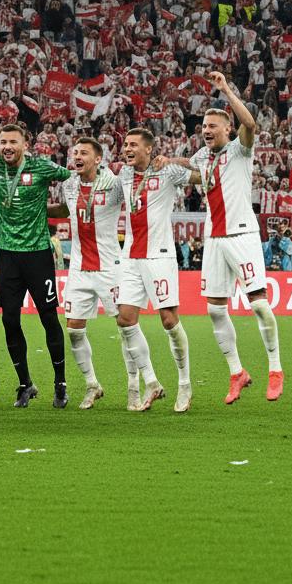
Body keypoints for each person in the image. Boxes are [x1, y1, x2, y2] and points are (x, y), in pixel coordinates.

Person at [168, 72, 283, 403]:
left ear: (228, 129)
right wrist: (167, 162)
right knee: (216, 311)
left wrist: (226, 91)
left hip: (242, 234)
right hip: (214, 239)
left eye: (213, 126)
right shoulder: (203, 157)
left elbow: (251, 124)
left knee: (258, 304)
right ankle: (237, 373)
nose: (206, 130)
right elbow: (193, 170)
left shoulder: (240, 149)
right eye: (204, 126)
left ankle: (275, 369)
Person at [54, 138, 158, 411]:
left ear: (98, 159)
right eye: (75, 152)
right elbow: (67, 209)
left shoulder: (113, 184)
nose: (77, 156)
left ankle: (134, 387)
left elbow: (137, 189)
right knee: (74, 329)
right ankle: (92, 385)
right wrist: (39, 210)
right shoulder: (69, 184)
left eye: (84, 153)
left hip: (110, 267)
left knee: (126, 327)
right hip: (79, 268)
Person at [0, 124, 72, 409]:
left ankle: (60, 383)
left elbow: (72, 177)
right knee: (9, 320)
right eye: (3, 142)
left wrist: (62, 209)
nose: (7, 147)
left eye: (13, 142)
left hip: (38, 254)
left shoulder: (42, 167)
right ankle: (25, 384)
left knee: (49, 318)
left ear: (25, 144)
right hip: (8, 255)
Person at [118, 128, 194, 412]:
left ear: (149, 149)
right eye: (126, 144)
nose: (127, 149)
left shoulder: (167, 171)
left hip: (159, 255)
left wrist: (174, 160)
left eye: (133, 145)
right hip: (130, 257)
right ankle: (151, 382)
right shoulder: (124, 174)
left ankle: (185, 384)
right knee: (125, 320)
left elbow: (203, 172)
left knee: (168, 320)